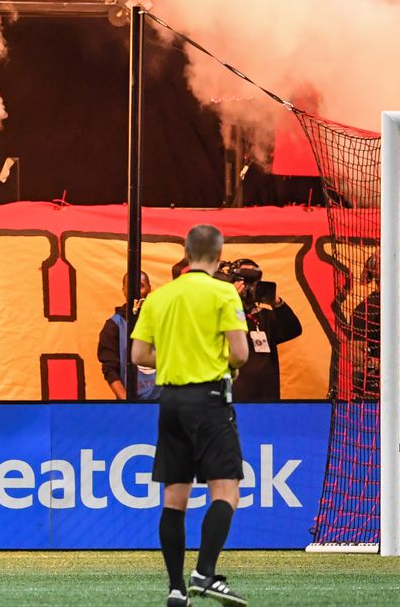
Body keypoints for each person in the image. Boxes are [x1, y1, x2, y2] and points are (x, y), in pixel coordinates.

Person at [131, 224, 249, 607]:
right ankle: (205, 572)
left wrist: (179, 357)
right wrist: (210, 359)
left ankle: (176, 588)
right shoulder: (224, 292)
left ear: (186, 251)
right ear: (219, 254)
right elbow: (240, 353)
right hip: (209, 399)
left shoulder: (160, 297)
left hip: (170, 402)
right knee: (226, 490)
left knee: (173, 498)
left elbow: (138, 356)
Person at [346, 251, 400, 401]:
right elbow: (357, 360)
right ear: (382, 271)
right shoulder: (367, 308)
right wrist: (394, 374)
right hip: (381, 397)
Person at [226, 260, 303, 402]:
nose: (248, 286)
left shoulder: (266, 316)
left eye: (253, 281)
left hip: (267, 397)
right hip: (234, 396)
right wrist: (231, 303)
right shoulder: (224, 315)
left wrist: (277, 303)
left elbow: (294, 329)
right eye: (244, 280)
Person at [97, 270, 160, 401]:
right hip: (131, 405)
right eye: (130, 287)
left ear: (149, 288)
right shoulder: (113, 325)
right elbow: (110, 370)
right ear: (123, 290)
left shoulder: (163, 321)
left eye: (141, 286)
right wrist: (127, 403)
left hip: (163, 403)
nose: (135, 291)